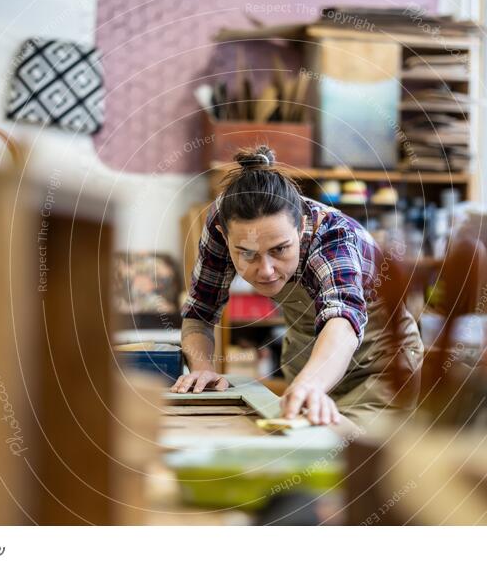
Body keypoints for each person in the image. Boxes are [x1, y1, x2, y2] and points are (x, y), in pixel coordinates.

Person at [172, 145, 423, 427]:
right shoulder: (224, 220)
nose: (265, 271)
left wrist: (309, 386)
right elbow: (200, 310)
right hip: (308, 359)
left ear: (301, 226)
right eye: (248, 253)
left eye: (279, 250)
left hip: (380, 366)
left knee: (350, 457)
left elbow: (342, 320)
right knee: (295, 447)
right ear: (223, 234)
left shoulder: (333, 237)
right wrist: (203, 370)